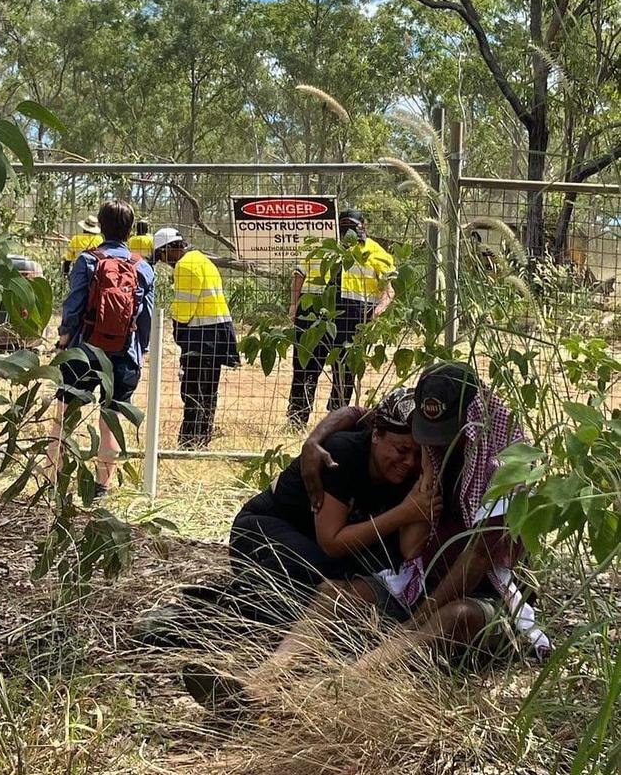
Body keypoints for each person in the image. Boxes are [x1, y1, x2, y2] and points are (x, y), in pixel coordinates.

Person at [182, 363, 551, 712]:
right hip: (416, 580)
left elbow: (479, 559)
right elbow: (410, 547)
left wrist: (418, 615)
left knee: (448, 617)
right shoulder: (426, 453)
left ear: (473, 422)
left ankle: (328, 696)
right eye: (428, 438)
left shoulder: (506, 468)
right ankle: (261, 682)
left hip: (488, 596)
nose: (430, 448)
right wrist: (315, 440)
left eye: (443, 438)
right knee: (334, 593)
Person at [229, 388, 440, 605]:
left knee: (371, 571)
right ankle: (227, 605)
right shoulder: (342, 452)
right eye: (402, 450)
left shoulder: (412, 471)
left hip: (312, 544)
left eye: (418, 453)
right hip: (262, 528)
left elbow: (408, 550)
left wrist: (428, 471)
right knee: (322, 573)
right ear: (376, 435)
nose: (409, 462)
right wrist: (405, 513)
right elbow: (332, 542)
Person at [45, 201, 155, 497]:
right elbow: (146, 317)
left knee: (63, 415)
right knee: (110, 420)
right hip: (124, 353)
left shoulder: (87, 261)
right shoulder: (142, 267)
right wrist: (139, 350)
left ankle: (51, 479)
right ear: (130, 230)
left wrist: (65, 338)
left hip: (85, 349)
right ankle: (101, 487)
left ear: (100, 227)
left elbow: (74, 305)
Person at [287, 208, 395, 425]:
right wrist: (293, 305)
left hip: (355, 314)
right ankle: (297, 418)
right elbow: (300, 274)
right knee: (305, 365)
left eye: (353, 227)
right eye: (343, 227)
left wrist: (379, 310)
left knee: (345, 370)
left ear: (363, 227)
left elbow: (390, 289)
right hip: (313, 311)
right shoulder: (321, 246)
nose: (348, 233)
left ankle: (337, 419)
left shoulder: (376, 252)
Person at [153, 227, 240, 449]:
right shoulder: (201, 259)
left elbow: (184, 309)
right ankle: (203, 437)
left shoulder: (185, 266)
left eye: (162, 256)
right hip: (219, 332)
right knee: (209, 389)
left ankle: (189, 442)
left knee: (193, 389)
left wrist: (178, 330)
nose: (164, 262)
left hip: (201, 335)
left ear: (169, 249)